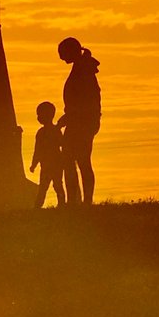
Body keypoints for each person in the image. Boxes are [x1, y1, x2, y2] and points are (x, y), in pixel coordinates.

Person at [57, 37, 101, 205]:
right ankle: (77, 201)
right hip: (79, 121)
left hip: (81, 123)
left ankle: (81, 201)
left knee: (78, 161)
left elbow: (85, 99)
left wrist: (71, 116)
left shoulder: (83, 70)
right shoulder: (82, 68)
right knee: (74, 161)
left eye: (63, 53)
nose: (61, 58)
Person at [29, 100, 65, 208]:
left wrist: (34, 164)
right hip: (47, 165)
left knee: (55, 185)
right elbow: (37, 151)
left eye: (39, 115)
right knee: (45, 187)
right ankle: (38, 206)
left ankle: (61, 204)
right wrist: (34, 164)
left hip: (55, 164)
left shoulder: (53, 131)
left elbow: (62, 144)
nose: (38, 117)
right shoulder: (43, 132)